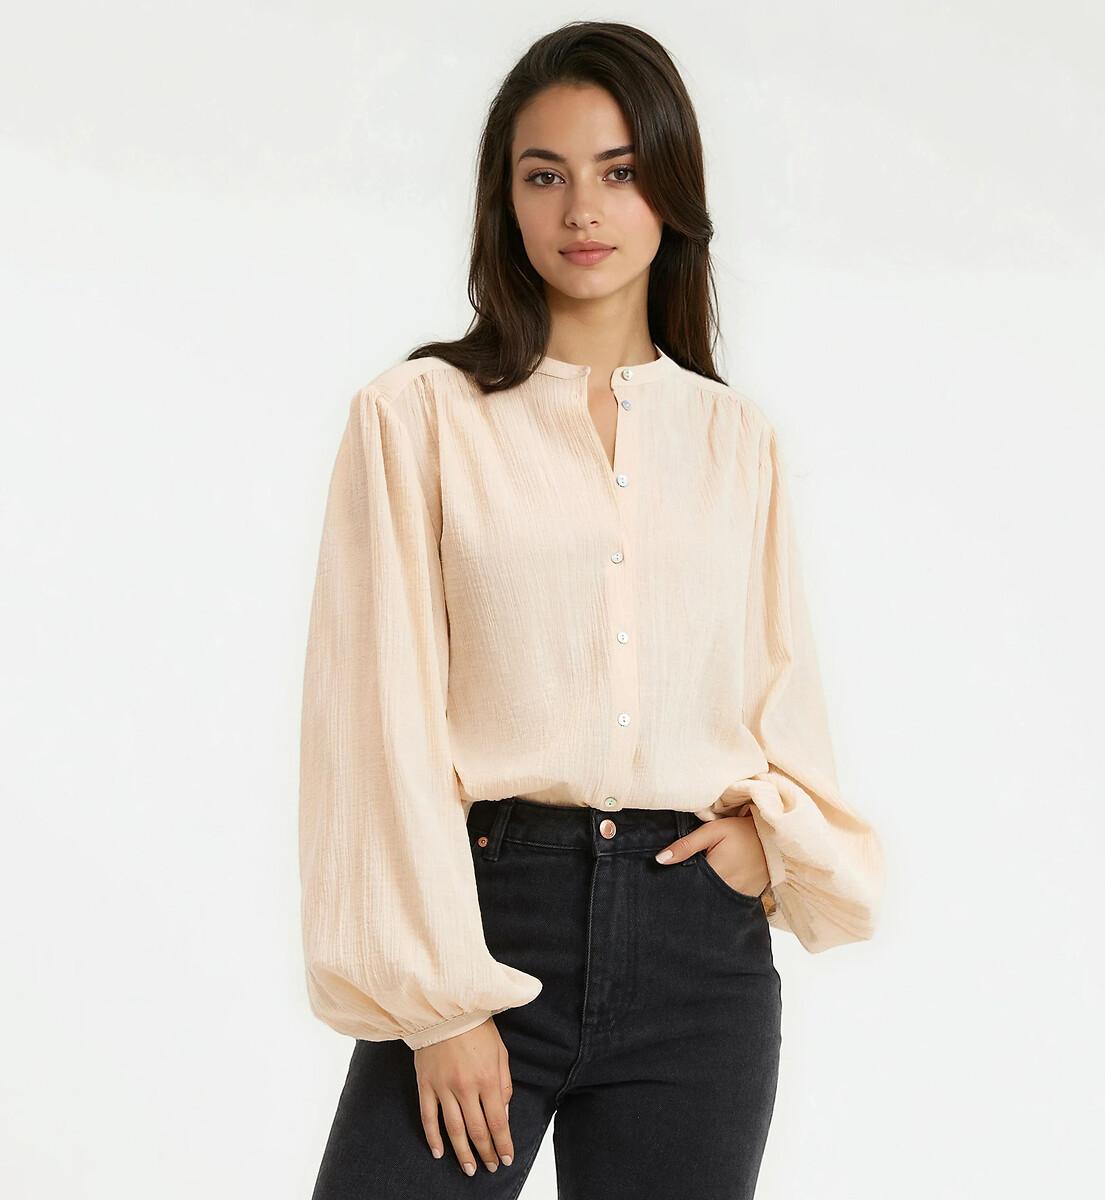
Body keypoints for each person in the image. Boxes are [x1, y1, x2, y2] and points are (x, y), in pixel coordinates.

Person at [298, 20, 885, 1200]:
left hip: (698, 959)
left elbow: (783, 698)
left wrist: (770, 840)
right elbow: (376, 724)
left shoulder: (736, 441)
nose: (583, 210)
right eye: (545, 175)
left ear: (672, 191)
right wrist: (440, 1005)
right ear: (504, 200)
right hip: (486, 919)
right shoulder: (416, 417)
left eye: (619, 172)